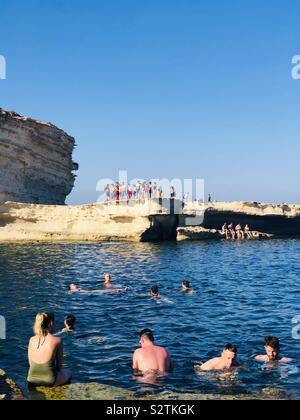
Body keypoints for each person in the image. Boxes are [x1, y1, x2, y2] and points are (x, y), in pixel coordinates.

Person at [27, 312, 72, 387]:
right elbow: (59, 367)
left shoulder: (31, 339)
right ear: (51, 323)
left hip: (31, 379)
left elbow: (30, 364)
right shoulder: (57, 340)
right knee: (68, 372)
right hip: (50, 381)